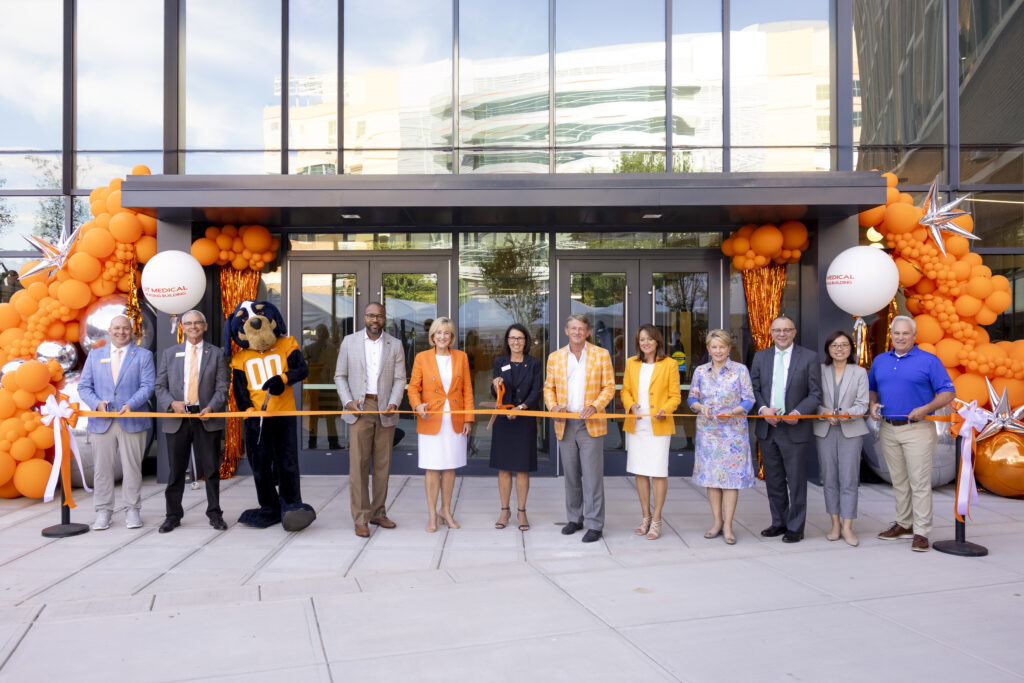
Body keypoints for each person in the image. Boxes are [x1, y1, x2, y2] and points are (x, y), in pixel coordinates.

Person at [869, 315, 955, 552]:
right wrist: (872, 405)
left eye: (906, 333)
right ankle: (904, 524)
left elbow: (948, 393)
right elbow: (872, 389)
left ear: (914, 336)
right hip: (888, 428)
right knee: (899, 481)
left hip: (917, 429)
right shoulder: (880, 361)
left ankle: (921, 531)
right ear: (892, 335)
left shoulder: (929, 361)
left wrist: (926, 409)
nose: (900, 337)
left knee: (919, 483)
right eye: (896, 333)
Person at [335, 302, 407, 538]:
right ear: (364, 318)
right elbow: (340, 376)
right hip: (360, 407)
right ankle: (361, 517)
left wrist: (394, 402)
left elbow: (399, 379)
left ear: (385, 319)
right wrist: (348, 402)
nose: (375, 320)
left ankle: (378, 512)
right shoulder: (349, 342)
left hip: (386, 408)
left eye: (379, 316)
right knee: (358, 465)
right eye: (371, 316)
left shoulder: (395, 344)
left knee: (383, 465)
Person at [154, 310, 229, 533]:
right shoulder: (169, 354)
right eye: (188, 323)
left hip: (206, 418)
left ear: (205, 326)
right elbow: (159, 386)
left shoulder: (216, 354)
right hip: (178, 419)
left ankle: (215, 514)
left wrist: (212, 407)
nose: (193, 326)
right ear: (182, 328)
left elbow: (222, 388)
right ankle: (173, 515)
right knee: (176, 471)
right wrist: (171, 404)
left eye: (197, 323)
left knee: (211, 470)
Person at [78, 315, 155, 531]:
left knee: (132, 468)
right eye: (117, 328)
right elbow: (84, 387)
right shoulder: (95, 355)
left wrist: (131, 404)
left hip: (132, 419)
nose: (121, 332)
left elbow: (148, 386)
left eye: (125, 328)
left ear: (132, 331)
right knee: (102, 469)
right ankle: (103, 511)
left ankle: (132, 509)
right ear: (109, 331)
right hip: (102, 421)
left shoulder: (143, 355)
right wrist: (96, 404)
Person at [750, 315, 822, 543]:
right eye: (777, 330)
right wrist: (763, 409)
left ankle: (795, 527)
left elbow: (815, 393)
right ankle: (779, 522)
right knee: (774, 480)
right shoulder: (761, 357)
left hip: (794, 428)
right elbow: (753, 387)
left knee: (796, 481)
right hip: (768, 428)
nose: (781, 334)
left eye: (786, 330)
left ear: (794, 332)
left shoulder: (809, 358)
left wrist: (798, 413)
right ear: (771, 333)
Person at [544, 313, 615, 543]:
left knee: (593, 477)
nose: (577, 332)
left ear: (588, 332)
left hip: (590, 423)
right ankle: (574, 519)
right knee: (571, 476)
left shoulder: (601, 355)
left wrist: (595, 406)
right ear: (566, 331)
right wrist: (553, 407)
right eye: (573, 328)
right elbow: (548, 388)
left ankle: (595, 524)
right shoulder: (555, 357)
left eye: (581, 328)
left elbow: (609, 387)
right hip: (565, 423)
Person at [687, 329, 756, 545]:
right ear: (708, 348)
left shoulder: (740, 370)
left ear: (728, 348)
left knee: (730, 481)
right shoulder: (700, 371)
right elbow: (691, 398)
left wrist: (733, 412)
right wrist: (700, 407)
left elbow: (749, 399)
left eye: (722, 347)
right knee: (712, 479)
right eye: (714, 347)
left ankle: (728, 526)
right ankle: (716, 522)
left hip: (733, 433)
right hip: (708, 433)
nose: (718, 351)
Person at [408, 317, 474, 532]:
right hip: (431, 420)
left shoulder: (461, 357)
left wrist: (468, 418)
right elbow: (413, 388)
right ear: (432, 336)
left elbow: (467, 390)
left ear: (452, 336)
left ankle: (446, 510)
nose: (443, 336)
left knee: (450, 468)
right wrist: (418, 406)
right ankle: (431, 515)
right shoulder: (422, 358)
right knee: (432, 468)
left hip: (454, 420)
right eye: (439, 333)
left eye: (447, 333)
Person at [621, 324, 681, 540]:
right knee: (640, 470)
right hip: (637, 425)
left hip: (659, 424)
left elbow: (675, 395)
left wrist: (666, 409)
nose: (645, 343)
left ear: (658, 341)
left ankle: (657, 519)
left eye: (649, 339)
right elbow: (625, 390)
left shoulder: (670, 364)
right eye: (641, 340)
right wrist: (631, 405)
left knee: (658, 471)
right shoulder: (631, 363)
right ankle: (645, 516)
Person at [812, 330, 869, 547]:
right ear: (828, 348)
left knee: (849, 479)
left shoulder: (859, 372)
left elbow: (863, 403)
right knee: (829, 479)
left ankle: (848, 526)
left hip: (851, 430)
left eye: (844, 345)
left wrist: (846, 413)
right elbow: (812, 398)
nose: (839, 349)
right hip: (825, 430)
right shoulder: (819, 371)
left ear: (850, 349)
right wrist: (825, 412)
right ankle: (834, 524)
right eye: (834, 345)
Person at [489, 323, 543, 531]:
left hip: (525, 418)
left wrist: (521, 408)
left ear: (526, 341)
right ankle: (504, 510)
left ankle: (521, 511)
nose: (516, 342)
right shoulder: (500, 362)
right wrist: (496, 385)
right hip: (504, 419)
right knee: (503, 467)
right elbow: (496, 393)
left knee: (522, 468)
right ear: (507, 341)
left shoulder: (535, 363)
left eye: (520, 338)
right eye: (512, 338)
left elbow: (537, 390)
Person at [304, 323, 340, 450]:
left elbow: (305, 369)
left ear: (318, 334)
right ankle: (333, 443)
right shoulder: (332, 348)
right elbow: (335, 369)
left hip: (314, 387)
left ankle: (311, 443)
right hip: (329, 387)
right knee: (331, 418)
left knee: (313, 417)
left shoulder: (309, 348)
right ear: (326, 334)